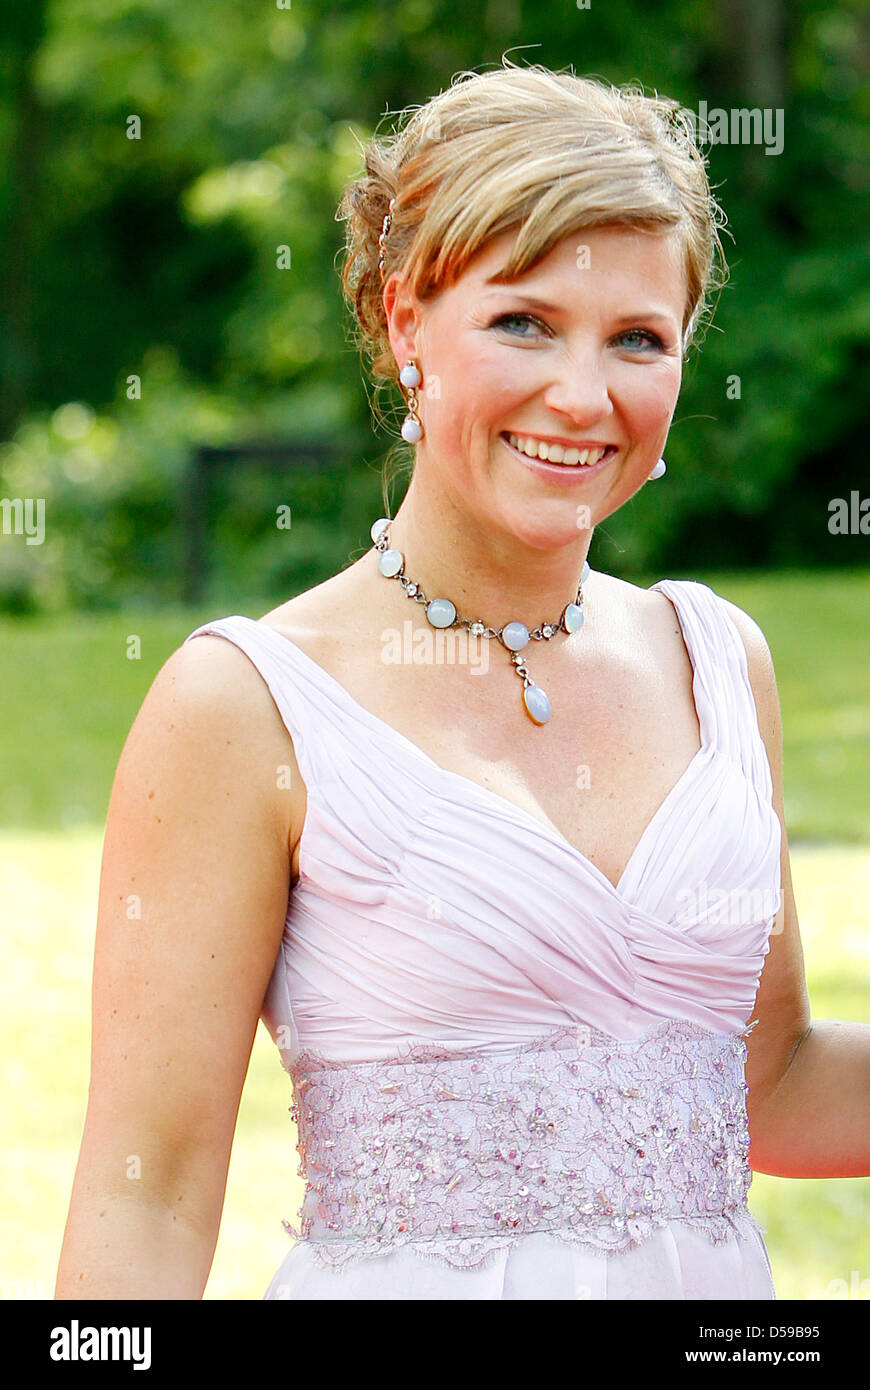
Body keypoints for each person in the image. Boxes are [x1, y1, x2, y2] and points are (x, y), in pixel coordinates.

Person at [55, 60, 868, 1303]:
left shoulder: (717, 663)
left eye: (638, 339)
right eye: (523, 322)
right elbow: (145, 1191)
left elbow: (773, 1084)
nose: (582, 396)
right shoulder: (245, 703)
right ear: (405, 326)